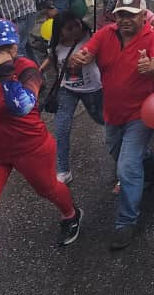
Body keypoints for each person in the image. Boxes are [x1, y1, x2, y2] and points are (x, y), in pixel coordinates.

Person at [0, 19, 82, 293]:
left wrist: (5, 73)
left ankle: (71, 214)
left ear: (17, 45)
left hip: (31, 148)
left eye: (10, 46)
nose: (5, 52)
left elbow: (22, 108)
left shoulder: (27, 70)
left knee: (49, 189)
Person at [69, 0, 154, 250]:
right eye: (121, 14)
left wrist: (152, 67)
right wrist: (80, 59)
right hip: (112, 112)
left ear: (144, 16)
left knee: (125, 167)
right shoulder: (104, 34)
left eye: (131, 15)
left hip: (140, 113)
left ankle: (126, 222)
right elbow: (86, 54)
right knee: (116, 150)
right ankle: (151, 163)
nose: (125, 20)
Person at [39, 12, 103, 184]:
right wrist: (38, 72)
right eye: (69, 28)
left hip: (92, 90)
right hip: (67, 90)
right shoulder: (56, 45)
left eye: (77, 25)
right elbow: (51, 58)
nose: (75, 30)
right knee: (61, 129)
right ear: (60, 32)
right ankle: (63, 170)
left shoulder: (92, 37)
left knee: (104, 119)